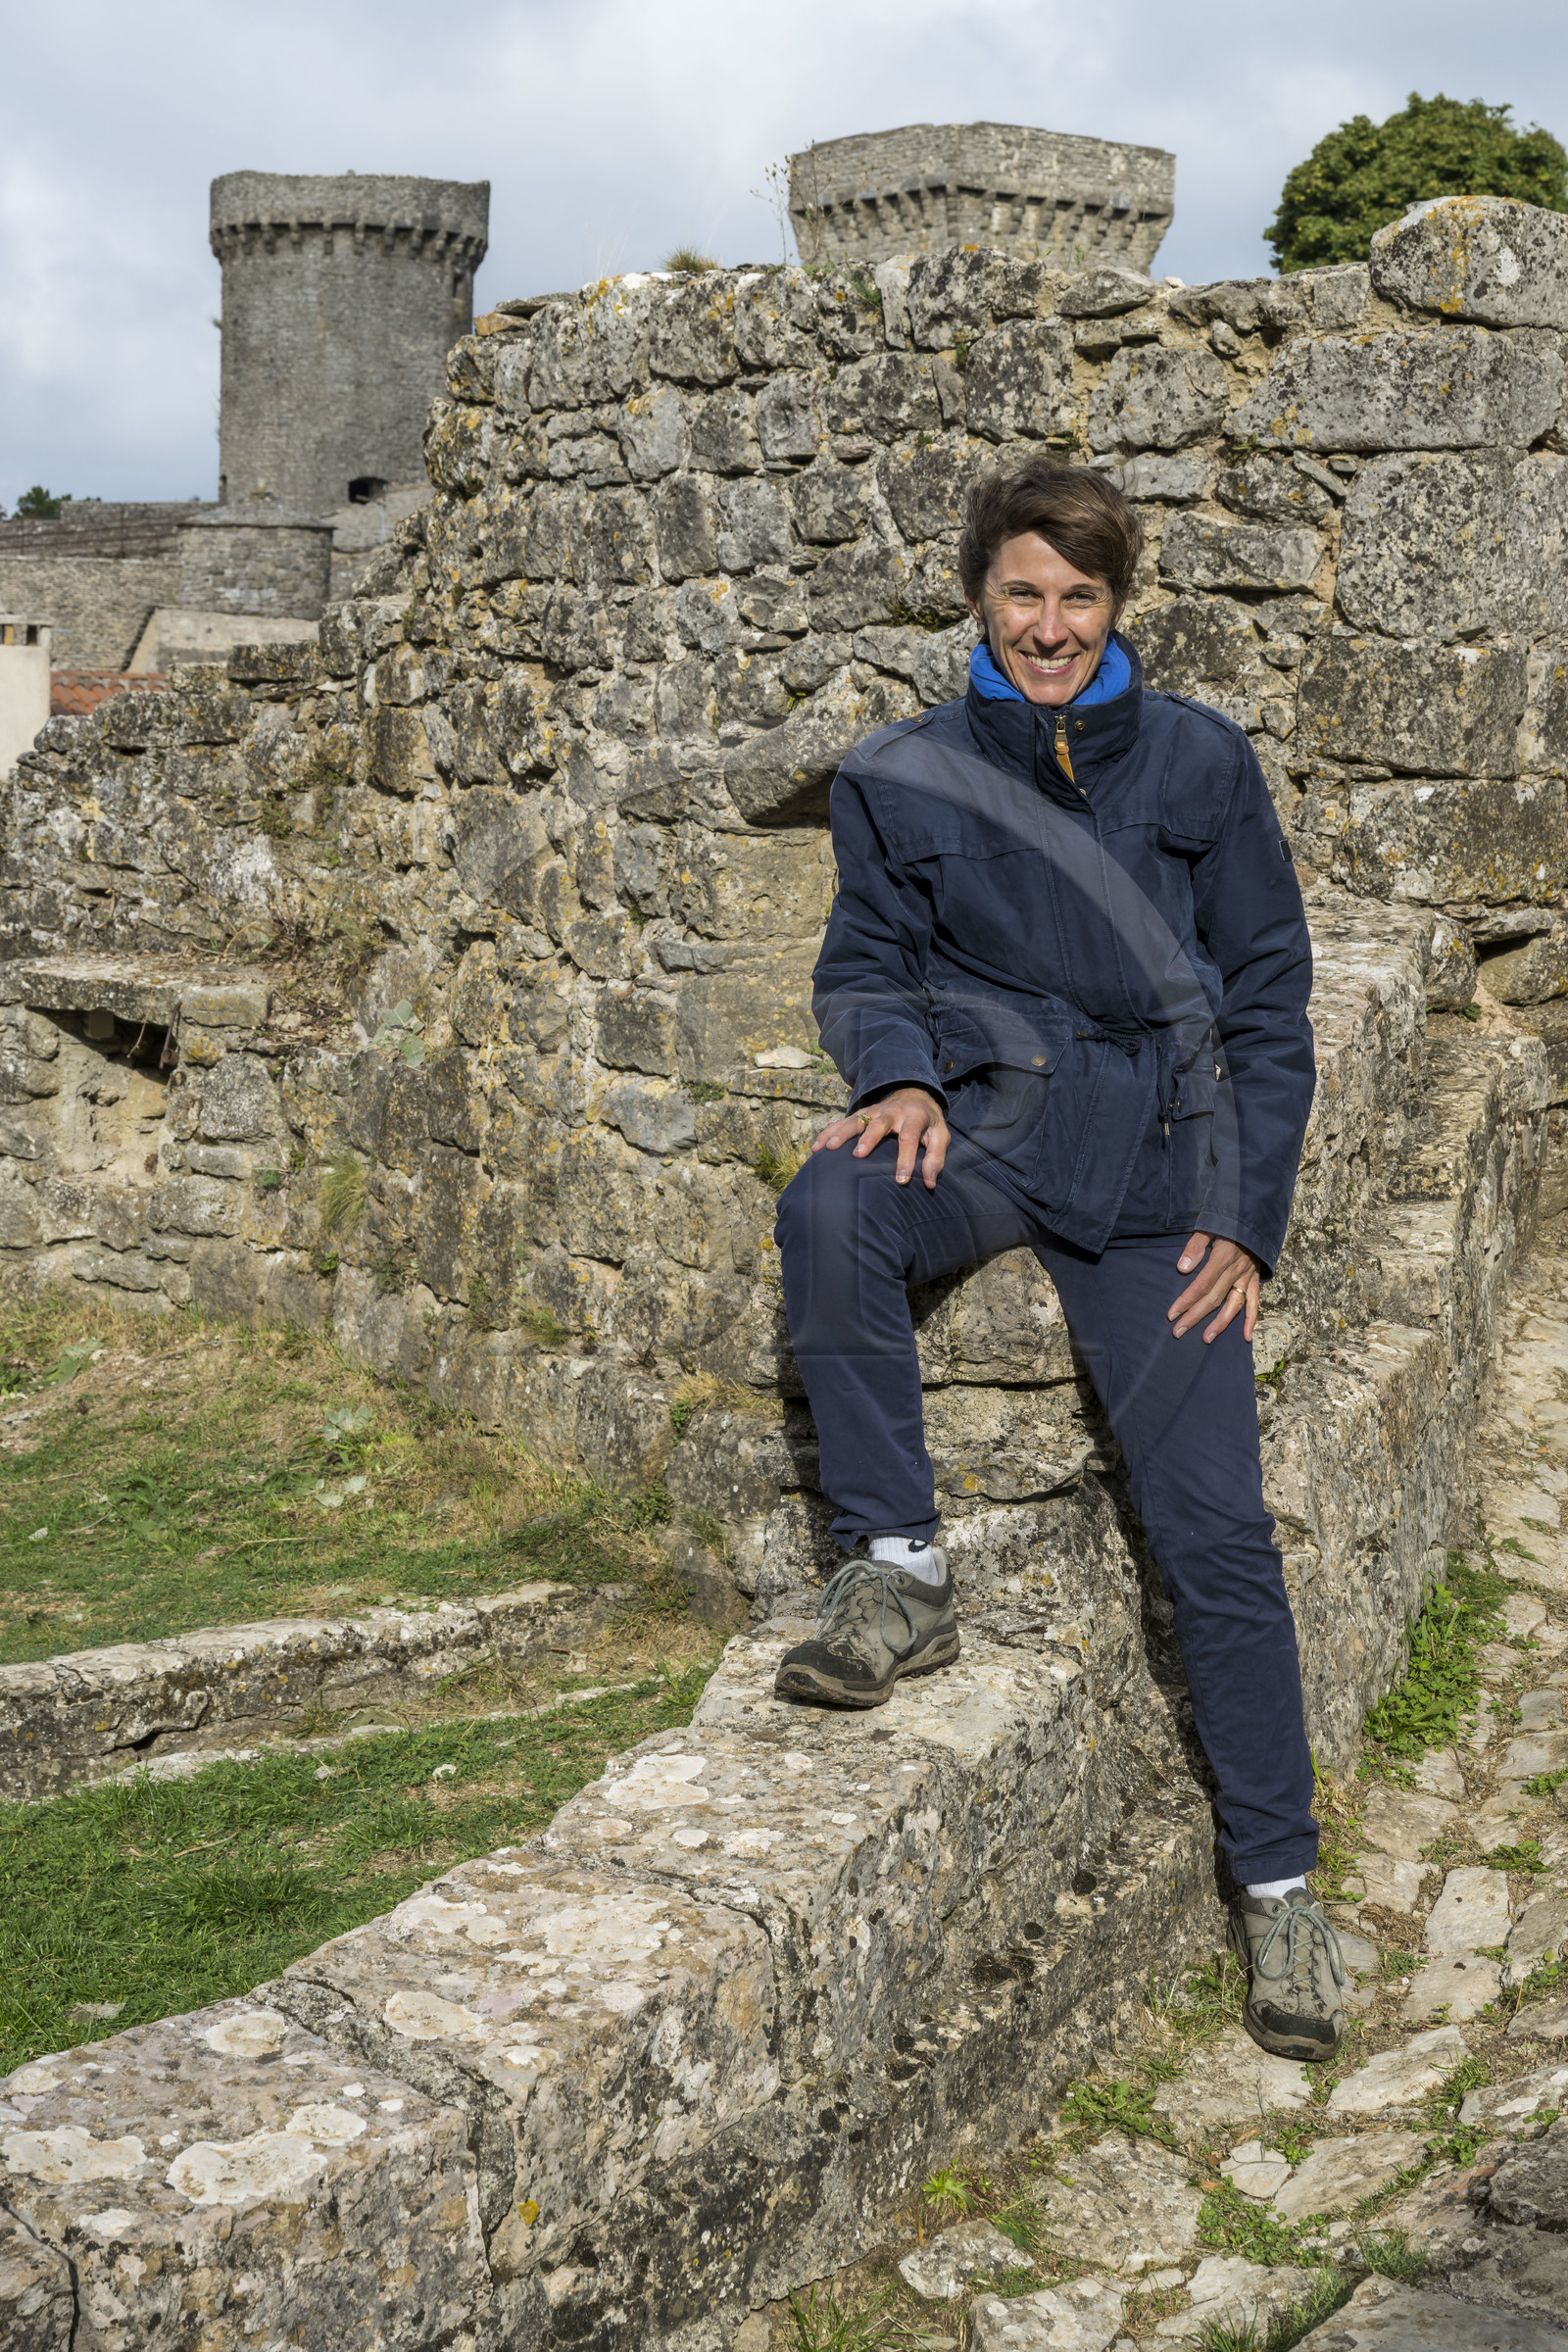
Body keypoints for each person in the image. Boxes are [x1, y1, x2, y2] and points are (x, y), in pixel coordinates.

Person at [770, 457, 1344, 2062]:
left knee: (1218, 1533)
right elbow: (869, 958)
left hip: (1166, 1178)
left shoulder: (1202, 763)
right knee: (830, 1206)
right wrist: (890, 1075)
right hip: (993, 1130)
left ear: (1117, 606)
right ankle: (896, 1571)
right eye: (1021, 593)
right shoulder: (897, 774)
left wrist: (1244, 1210)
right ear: (976, 596)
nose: (1048, 624)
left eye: (1079, 597)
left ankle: (1283, 1890)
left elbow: (1271, 997)